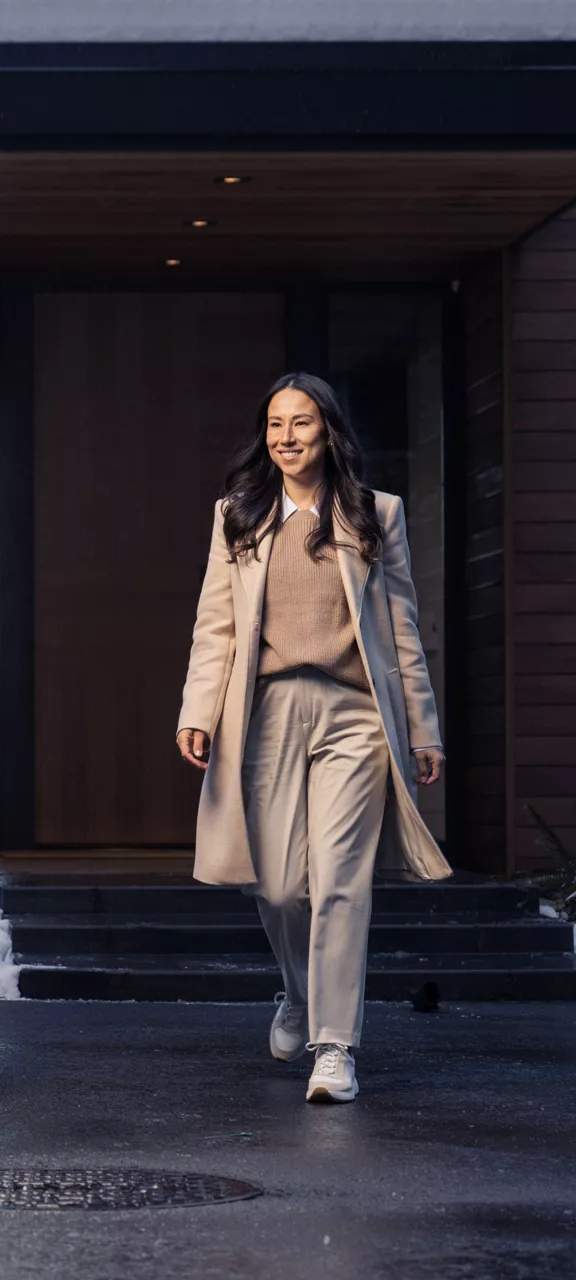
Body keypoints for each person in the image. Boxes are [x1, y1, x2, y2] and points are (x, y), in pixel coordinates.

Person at [175, 372, 448, 1104]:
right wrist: (196, 710)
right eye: (274, 425)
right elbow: (216, 626)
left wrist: (423, 727)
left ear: (329, 431)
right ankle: (297, 994)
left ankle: (334, 1047)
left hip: (354, 718)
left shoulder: (373, 514)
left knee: (338, 883)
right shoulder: (237, 516)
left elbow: (401, 631)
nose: (286, 437)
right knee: (280, 885)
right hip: (264, 714)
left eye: (301, 423)